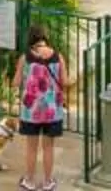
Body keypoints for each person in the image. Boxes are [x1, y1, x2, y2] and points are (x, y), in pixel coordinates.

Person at [14, 27, 68, 191]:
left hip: (31, 112)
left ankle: (29, 181)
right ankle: (47, 182)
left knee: (31, 147)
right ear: (45, 38)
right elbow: (64, 82)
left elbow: (16, 82)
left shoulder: (25, 57)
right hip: (52, 111)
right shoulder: (59, 57)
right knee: (48, 147)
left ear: (31, 39)